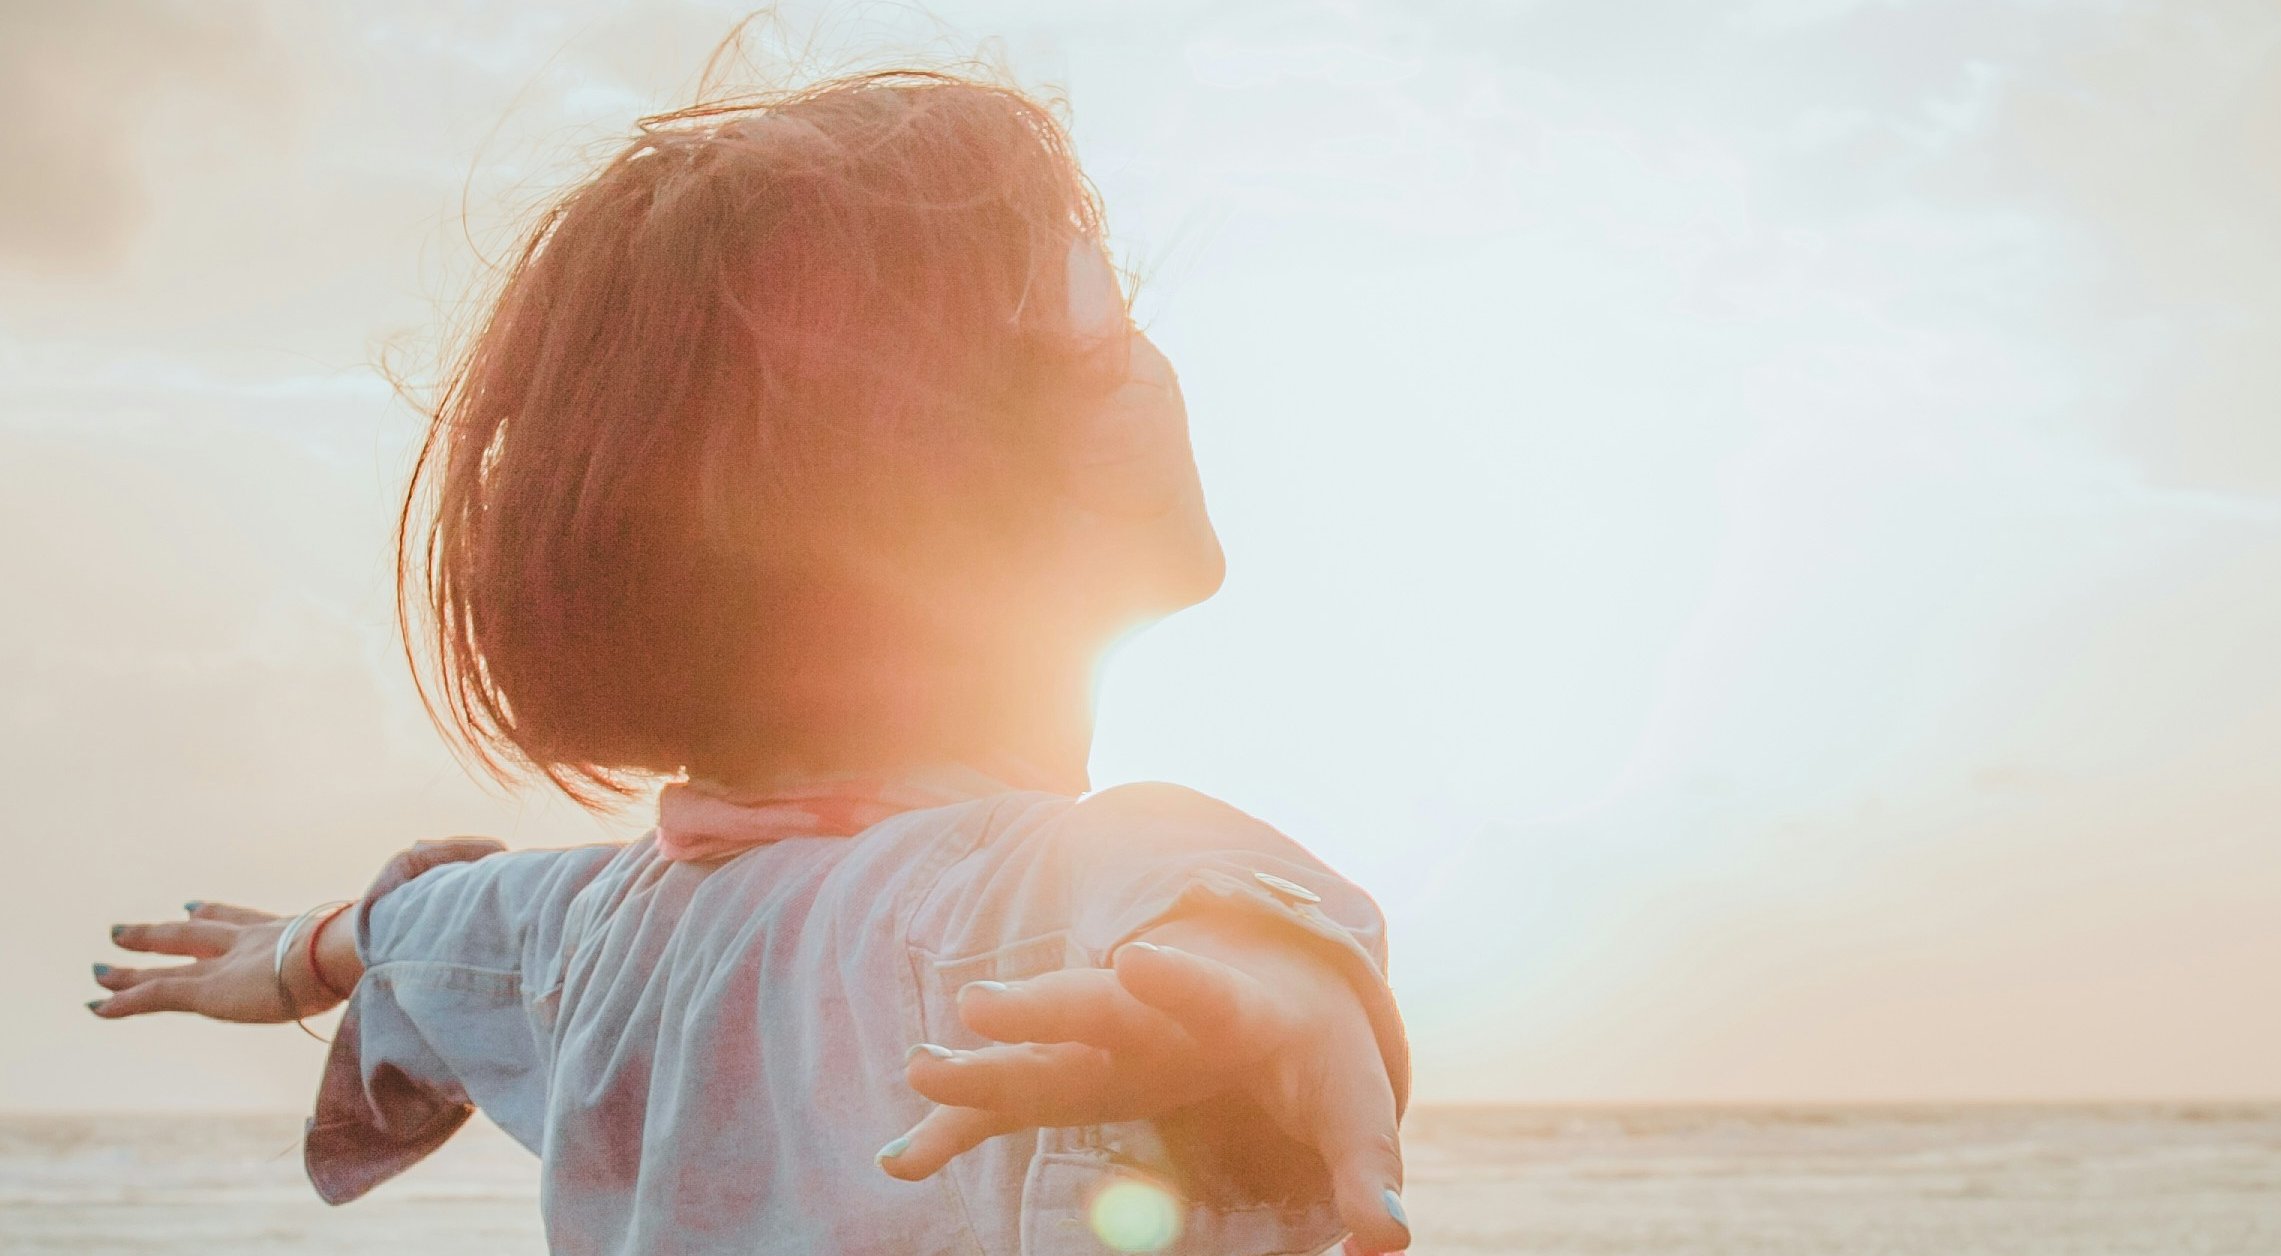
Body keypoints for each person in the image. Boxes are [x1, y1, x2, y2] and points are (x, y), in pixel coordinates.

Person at [83, 68, 1412, 1256]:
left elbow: (440, 934)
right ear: (934, 494)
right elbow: (1181, 890)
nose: (1150, 366)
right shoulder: (1000, 904)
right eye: (1099, 335)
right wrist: (1273, 985)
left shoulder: (594, 928)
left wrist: (307, 949)